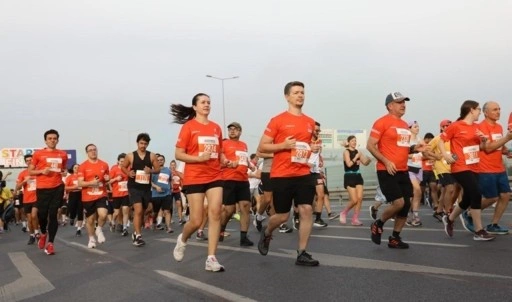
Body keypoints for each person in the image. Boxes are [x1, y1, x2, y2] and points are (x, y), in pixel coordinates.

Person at [257, 81, 320, 266]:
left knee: (306, 209)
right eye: (296, 93)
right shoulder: (277, 120)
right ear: (287, 97)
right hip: (282, 174)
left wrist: (313, 147)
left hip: (303, 172)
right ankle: (267, 231)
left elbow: (306, 147)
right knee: (283, 216)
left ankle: (302, 252)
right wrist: (283, 145)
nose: (300, 95)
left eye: (302, 92)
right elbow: (263, 146)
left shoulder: (309, 121)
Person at [171, 93, 226, 272]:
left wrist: (225, 160)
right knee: (196, 220)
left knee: (216, 212)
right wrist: (199, 158)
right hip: (195, 177)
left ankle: (211, 258)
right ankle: (183, 240)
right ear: (194, 107)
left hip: (215, 175)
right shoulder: (189, 127)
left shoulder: (216, 128)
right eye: (203, 102)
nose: (207, 105)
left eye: (209, 102)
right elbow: (179, 154)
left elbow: (220, 152)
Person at [367, 92, 426, 249]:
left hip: (403, 170)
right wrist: (386, 161)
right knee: (398, 202)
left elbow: (403, 149)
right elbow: (370, 145)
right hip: (386, 170)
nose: (403, 104)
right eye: (399, 102)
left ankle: (395, 238)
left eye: (404, 102)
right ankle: (378, 223)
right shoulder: (381, 122)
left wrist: (414, 148)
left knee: (406, 204)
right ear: (390, 106)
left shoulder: (403, 125)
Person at [440, 100, 495, 241]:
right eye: (478, 110)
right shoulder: (456, 126)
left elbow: (482, 148)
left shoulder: (477, 127)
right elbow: (441, 140)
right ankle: (479, 230)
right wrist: (446, 155)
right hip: (460, 166)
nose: (479, 113)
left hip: (474, 166)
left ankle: (450, 219)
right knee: (476, 193)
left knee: (467, 198)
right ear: (471, 110)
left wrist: (482, 141)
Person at [461, 101, 512, 235]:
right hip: (485, 169)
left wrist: (506, 151)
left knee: (506, 195)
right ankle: (469, 212)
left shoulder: (499, 127)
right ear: (486, 112)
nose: (498, 112)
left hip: (499, 168)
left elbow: (498, 145)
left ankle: (493, 224)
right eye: (495, 109)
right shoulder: (480, 127)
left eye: (499, 109)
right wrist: (507, 138)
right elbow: (488, 148)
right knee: (492, 197)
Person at [28, 129, 68, 255]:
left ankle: (50, 243)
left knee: (53, 214)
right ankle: (43, 233)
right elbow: (30, 171)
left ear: (57, 140)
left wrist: (65, 172)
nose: (52, 140)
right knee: (42, 215)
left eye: (54, 138)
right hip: (42, 188)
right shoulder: (38, 154)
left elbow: (64, 169)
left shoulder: (63, 154)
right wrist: (41, 172)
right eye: (50, 138)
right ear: (45, 140)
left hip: (57, 187)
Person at [121, 133, 160, 247]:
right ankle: (138, 236)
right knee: (138, 210)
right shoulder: (130, 156)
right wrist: (128, 172)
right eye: (141, 143)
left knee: (142, 212)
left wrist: (151, 171)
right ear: (137, 143)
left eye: (145, 144)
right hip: (134, 186)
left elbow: (157, 169)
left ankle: (135, 232)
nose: (143, 145)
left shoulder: (152, 156)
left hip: (146, 188)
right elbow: (123, 166)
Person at [219, 121, 254, 246]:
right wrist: (227, 162)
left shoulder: (244, 145)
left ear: (240, 131)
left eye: (235, 129)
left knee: (245, 206)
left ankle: (243, 237)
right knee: (229, 210)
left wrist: (251, 165)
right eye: (230, 129)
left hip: (243, 180)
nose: (232, 131)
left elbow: (245, 159)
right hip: (228, 179)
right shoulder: (224, 143)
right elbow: (220, 158)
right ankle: (221, 228)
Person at [339, 135, 371, 225]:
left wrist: (368, 159)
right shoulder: (346, 152)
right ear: (348, 142)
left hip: (358, 176)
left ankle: (355, 219)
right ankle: (343, 212)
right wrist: (357, 156)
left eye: (355, 141)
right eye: (352, 141)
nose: (354, 142)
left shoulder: (358, 152)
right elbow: (349, 164)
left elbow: (365, 163)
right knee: (354, 200)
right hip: (349, 176)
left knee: (360, 198)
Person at [16, 154, 40, 244]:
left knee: (34, 216)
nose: (29, 161)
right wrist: (24, 181)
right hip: (27, 199)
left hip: (37, 198)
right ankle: (32, 235)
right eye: (27, 160)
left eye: (31, 160)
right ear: (25, 162)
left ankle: (37, 233)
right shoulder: (22, 173)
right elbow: (18, 187)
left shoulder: (38, 172)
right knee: (29, 219)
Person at [150, 154, 173, 233]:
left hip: (167, 194)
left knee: (167, 211)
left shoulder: (168, 170)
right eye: (158, 160)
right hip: (156, 195)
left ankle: (168, 227)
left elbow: (170, 180)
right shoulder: (153, 171)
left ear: (164, 161)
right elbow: (150, 182)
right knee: (155, 212)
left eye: (161, 160)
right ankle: (154, 222)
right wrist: (156, 187)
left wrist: (171, 188)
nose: (160, 161)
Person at [109, 153, 130, 236]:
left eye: (124, 161)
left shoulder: (128, 169)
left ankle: (125, 228)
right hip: (117, 194)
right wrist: (116, 179)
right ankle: (113, 221)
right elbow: (108, 182)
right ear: (118, 161)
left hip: (126, 193)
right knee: (116, 212)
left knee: (125, 210)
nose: (122, 163)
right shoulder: (114, 169)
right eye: (121, 161)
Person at [65, 164, 84, 236]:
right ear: (72, 169)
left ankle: (79, 229)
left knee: (80, 211)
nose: (77, 169)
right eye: (75, 168)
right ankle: (72, 218)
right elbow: (66, 188)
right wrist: (74, 187)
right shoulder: (70, 177)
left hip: (81, 194)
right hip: (73, 194)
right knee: (72, 210)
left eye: (78, 168)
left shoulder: (82, 177)